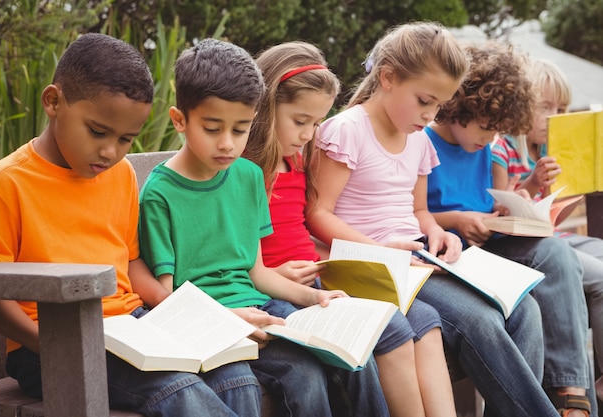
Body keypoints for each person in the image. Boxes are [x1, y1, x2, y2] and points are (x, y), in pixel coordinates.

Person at [0, 33, 263, 416]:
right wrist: (49, 343)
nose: (110, 151)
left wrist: (190, 314)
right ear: (53, 102)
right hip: (47, 346)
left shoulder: (120, 174)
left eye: (127, 139)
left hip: (132, 327)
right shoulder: (5, 184)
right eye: (97, 132)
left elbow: (129, 262)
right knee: (179, 391)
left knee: (234, 373)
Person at [305, 23, 561, 417]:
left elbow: (418, 211)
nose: (430, 115)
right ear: (387, 77)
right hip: (370, 267)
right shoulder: (347, 130)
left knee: (524, 308)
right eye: (424, 101)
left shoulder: (419, 139)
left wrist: (439, 232)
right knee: (480, 320)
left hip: (420, 260)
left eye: (438, 106)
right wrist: (381, 249)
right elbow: (317, 214)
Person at [137, 38, 389, 417]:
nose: (227, 144)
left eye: (240, 130)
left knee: (352, 353)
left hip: (262, 307)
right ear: (179, 120)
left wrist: (315, 299)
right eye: (212, 128)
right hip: (211, 321)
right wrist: (228, 320)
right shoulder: (159, 195)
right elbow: (168, 294)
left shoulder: (249, 176)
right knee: (301, 376)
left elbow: (256, 271)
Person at [243, 40, 457, 417]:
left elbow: (301, 228)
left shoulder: (295, 160)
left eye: (315, 123)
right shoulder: (247, 174)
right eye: (300, 122)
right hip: (281, 287)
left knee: (420, 320)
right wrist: (281, 273)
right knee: (382, 329)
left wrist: (349, 258)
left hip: (314, 273)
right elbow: (244, 258)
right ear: (265, 108)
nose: (310, 135)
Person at [420, 42, 594, 417]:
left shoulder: (484, 144)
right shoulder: (424, 142)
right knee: (525, 306)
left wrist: (508, 207)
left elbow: (488, 202)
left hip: (487, 246)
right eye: (486, 127)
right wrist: (458, 220)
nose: (489, 138)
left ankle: (571, 393)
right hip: (450, 255)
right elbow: (414, 212)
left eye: (498, 130)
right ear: (458, 106)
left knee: (557, 252)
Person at [491, 58, 603, 401]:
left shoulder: (552, 149)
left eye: (562, 108)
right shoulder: (502, 148)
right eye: (545, 107)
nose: (553, 116)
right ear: (523, 104)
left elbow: (557, 211)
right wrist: (531, 181)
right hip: (521, 247)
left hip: (553, 237)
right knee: (600, 276)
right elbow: (500, 211)